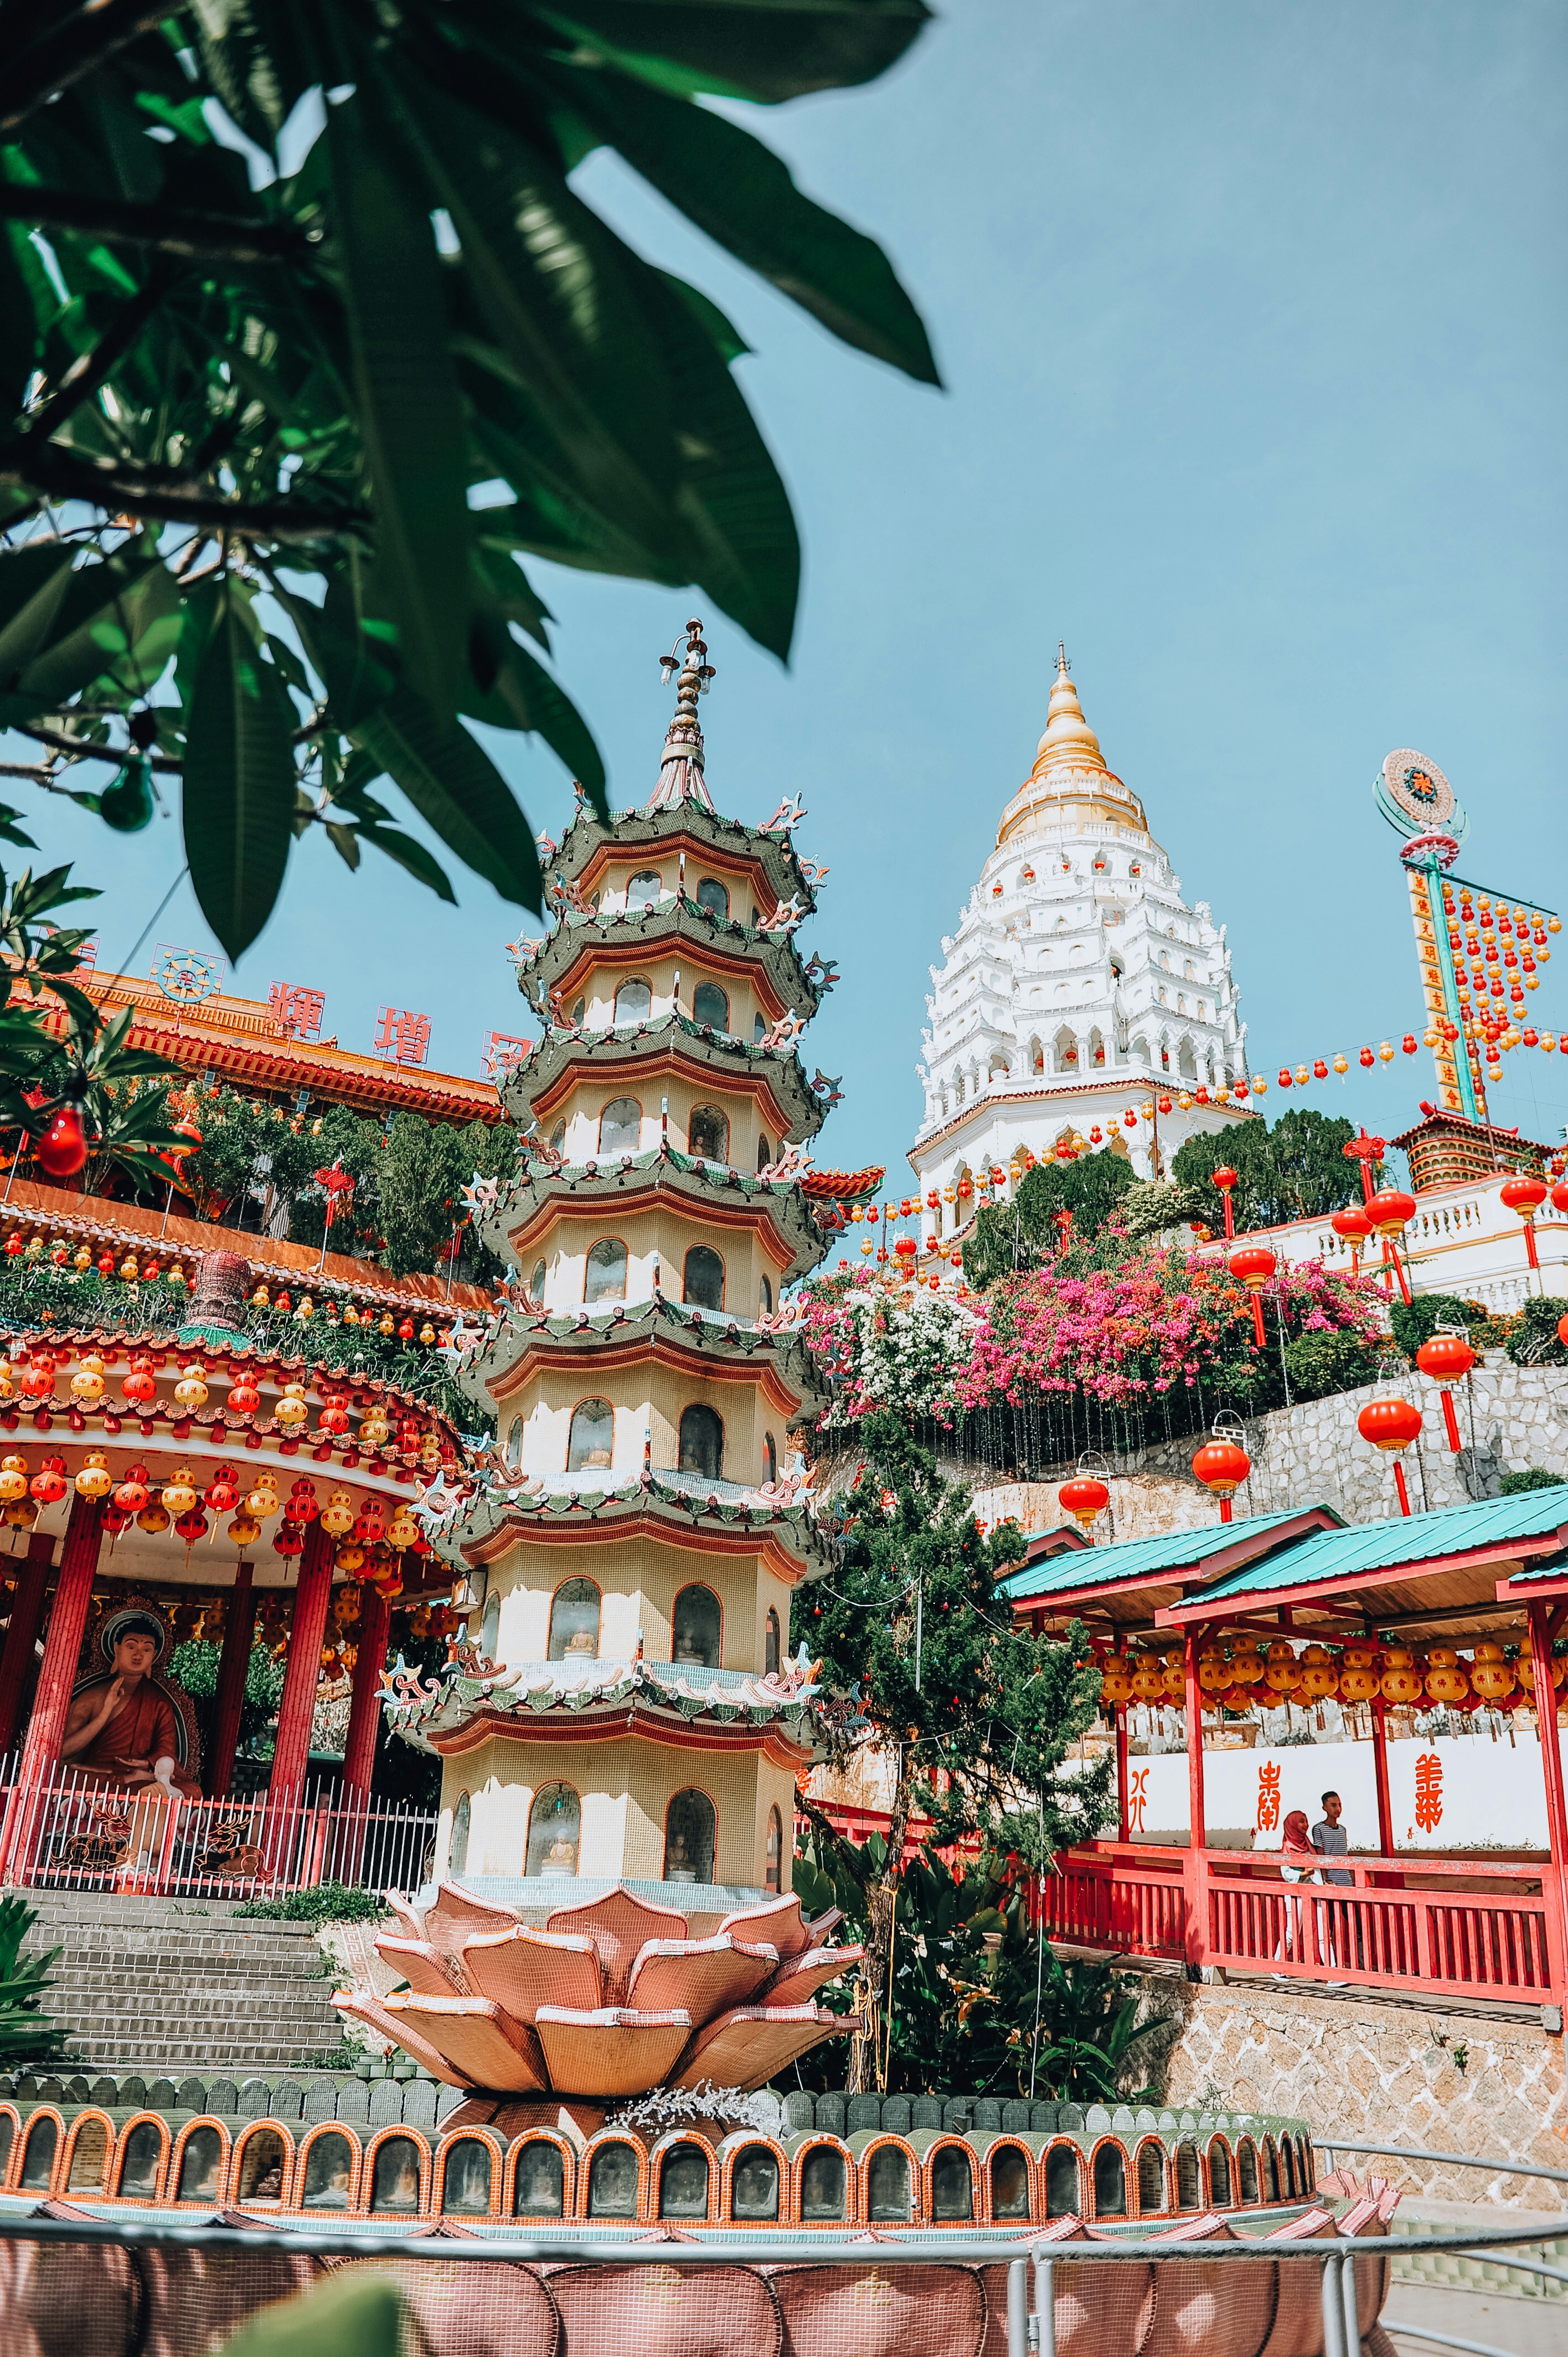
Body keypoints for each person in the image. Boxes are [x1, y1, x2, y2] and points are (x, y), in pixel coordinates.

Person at [60, 1618, 201, 1800]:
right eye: (131, 1646)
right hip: (98, 1775)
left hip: (141, 1775)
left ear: (154, 1655)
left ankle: (135, 1782)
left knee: (193, 1790)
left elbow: (166, 1755)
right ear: (117, 1649)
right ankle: (131, 1782)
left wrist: (145, 1763)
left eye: (147, 1649)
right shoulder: (92, 1697)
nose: (138, 1655)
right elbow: (64, 1751)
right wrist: (105, 1712)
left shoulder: (159, 1703)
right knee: (61, 1779)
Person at [1311, 1791, 1353, 1886]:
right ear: (1325, 1808)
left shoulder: (1342, 1830)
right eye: (1333, 1805)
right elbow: (1320, 1857)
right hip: (1331, 1880)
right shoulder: (1319, 1829)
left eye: (1339, 1805)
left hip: (1346, 1879)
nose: (1338, 1809)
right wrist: (1325, 1880)